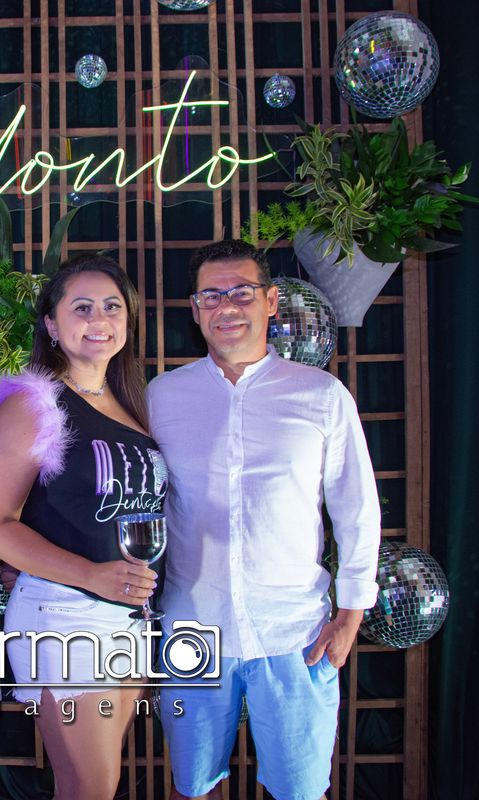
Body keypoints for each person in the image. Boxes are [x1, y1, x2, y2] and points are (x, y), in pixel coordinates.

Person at [146, 239, 381, 800]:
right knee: (192, 786)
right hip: (192, 631)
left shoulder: (322, 395)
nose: (226, 306)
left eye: (242, 292)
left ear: (272, 301)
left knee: (300, 790)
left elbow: (357, 508)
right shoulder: (161, 396)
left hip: (296, 632)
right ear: (194, 309)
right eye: (210, 295)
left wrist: (350, 617)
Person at [0, 253, 165, 800]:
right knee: (93, 786)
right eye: (82, 308)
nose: (99, 319)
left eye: (112, 306)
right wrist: (91, 575)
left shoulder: (133, 405)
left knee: (90, 785)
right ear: (52, 325)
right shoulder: (33, 405)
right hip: (63, 612)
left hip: (128, 616)